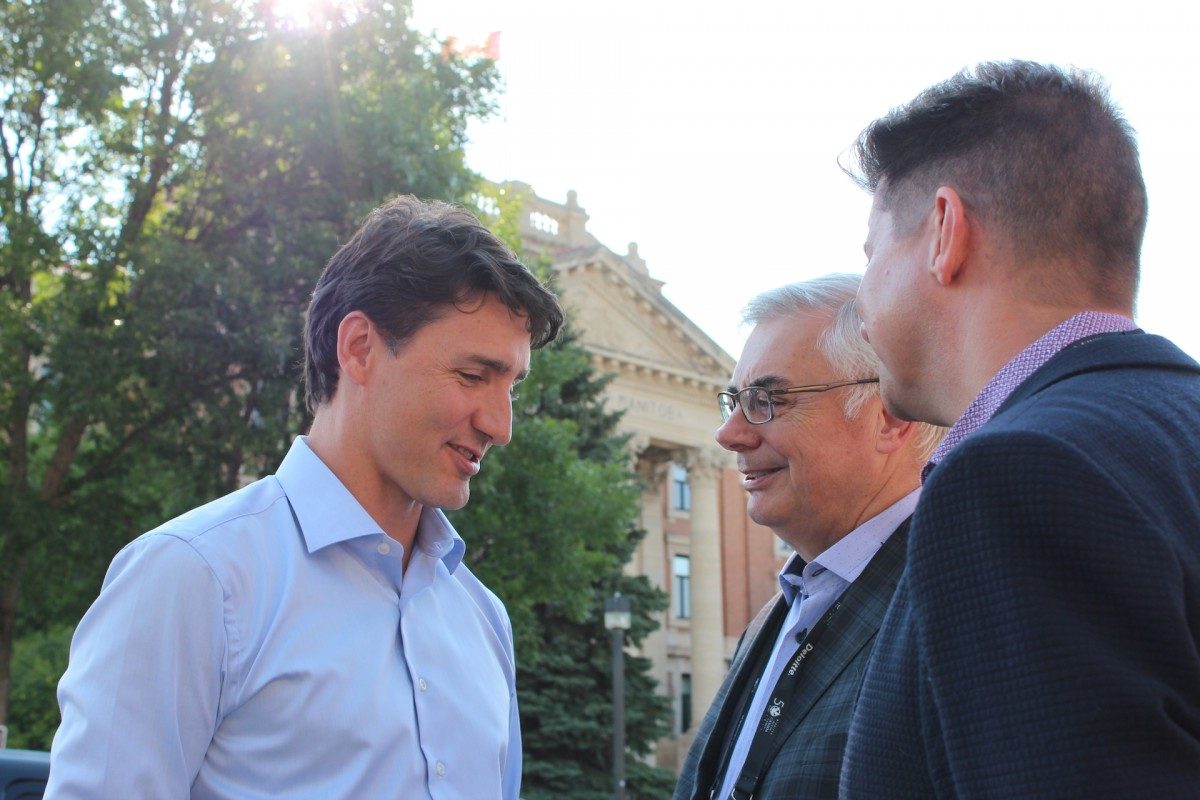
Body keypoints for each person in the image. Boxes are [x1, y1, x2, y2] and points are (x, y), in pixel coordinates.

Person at [46, 196, 564, 799]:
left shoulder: (483, 619)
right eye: (473, 376)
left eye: (511, 388)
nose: (501, 426)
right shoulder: (194, 578)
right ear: (360, 348)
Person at [842, 61, 1200, 798]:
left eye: (871, 254)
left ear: (945, 231)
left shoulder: (1019, 475)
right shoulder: (1164, 430)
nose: (860, 301)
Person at [674, 275, 942, 800]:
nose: (728, 435)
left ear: (888, 417)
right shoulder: (782, 610)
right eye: (734, 401)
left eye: (768, 399)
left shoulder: (957, 602)